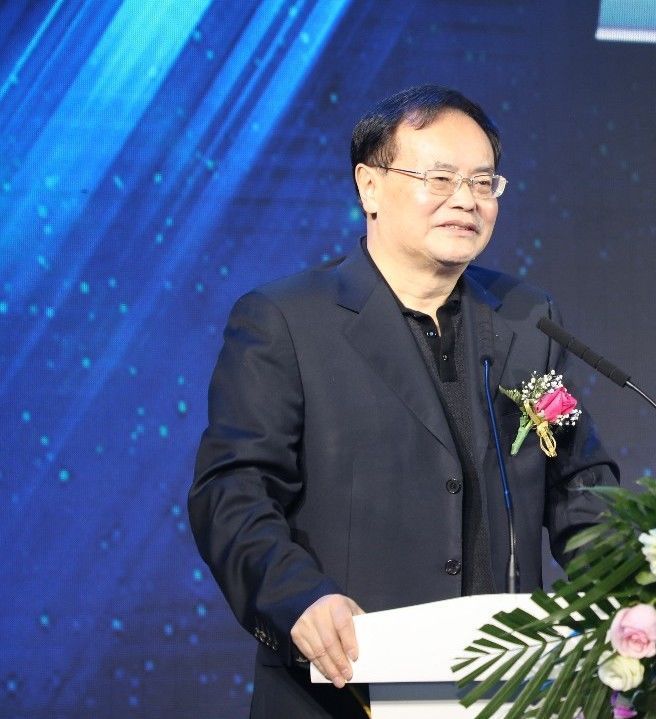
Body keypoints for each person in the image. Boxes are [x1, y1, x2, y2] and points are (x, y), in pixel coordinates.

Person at [189, 85, 619, 718]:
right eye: (438, 178)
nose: (465, 200)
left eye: (483, 182)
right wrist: (299, 598)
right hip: (348, 686)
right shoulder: (286, 321)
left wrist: (629, 587)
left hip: (510, 690)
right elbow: (234, 492)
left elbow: (580, 482)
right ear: (369, 187)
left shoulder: (528, 320)